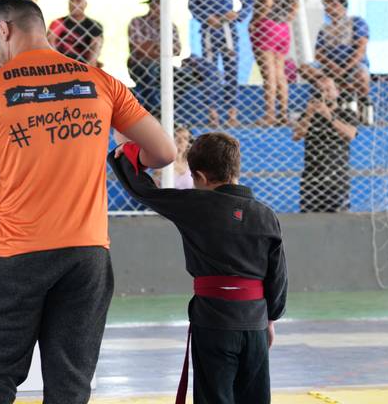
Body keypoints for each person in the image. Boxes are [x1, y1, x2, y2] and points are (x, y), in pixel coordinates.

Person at [0, 0, 177, 404]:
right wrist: (124, 154)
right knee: (70, 387)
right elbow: (164, 152)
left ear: (4, 30)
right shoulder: (101, 82)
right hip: (87, 255)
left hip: (18, 256)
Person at [108, 132, 287, 404]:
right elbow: (278, 275)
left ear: (200, 177)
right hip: (255, 323)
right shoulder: (266, 215)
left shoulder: (195, 205)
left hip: (214, 321)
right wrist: (270, 319)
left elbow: (144, 190)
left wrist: (126, 153)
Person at [188, 0, 253, 128]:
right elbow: (192, 4)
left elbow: (248, 1)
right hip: (209, 31)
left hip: (228, 31)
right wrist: (206, 17)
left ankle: (232, 114)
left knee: (231, 70)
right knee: (210, 71)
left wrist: (237, 14)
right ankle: (213, 114)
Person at [299, 0, 372, 124]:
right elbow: (319, 54)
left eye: (333, 4)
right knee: (305, 68)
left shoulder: (356, 22)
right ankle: (333, 88)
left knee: (362, 74)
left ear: (343, 7)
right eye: (327, 5)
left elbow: (361, 49)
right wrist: (333, 66)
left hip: (352, 65)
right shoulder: (324, 29)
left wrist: (345, 68)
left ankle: (362, 107)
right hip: (330, 67)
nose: (329, 8)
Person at [293, 76, 358, 213]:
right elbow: (297, 136)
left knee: (339, 219)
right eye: (321, 90)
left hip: (337, 180)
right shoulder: (308, 115)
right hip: (311, 180)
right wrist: (309, 113)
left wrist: (328, 115)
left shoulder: (346, 113)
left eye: (328, 89)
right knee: (308, 220)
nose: (325, 93)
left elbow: (350, 134)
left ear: (337, 91)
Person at [250, 0, 298, 126]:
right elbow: (295, 6)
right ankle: (283, 113)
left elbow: (267, 2)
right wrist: (285, 20)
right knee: (280, 73)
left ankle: (270, 114)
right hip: (283, 29)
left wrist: (255, 21)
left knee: (268, 74)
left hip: (266, 27)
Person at [127, 0, 181, 118]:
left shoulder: (170, 25)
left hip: (163, 64)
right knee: (152, 71)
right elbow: (141, 49)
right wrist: (164, 48)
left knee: (183, 76)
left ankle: (171, 112)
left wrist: (153, 46)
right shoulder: (137, 22)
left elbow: (177, 50)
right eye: (158, 4)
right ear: (151, 5)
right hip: (140, 64)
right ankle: (155, 113)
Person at [47, 0, 104, 66]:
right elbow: (50, 43)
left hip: (83, 65)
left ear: (85, 4)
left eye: (78, 1)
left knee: (97, 44)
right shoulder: (58, 23)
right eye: (71, 0)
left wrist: (88, 67)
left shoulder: (94, 26)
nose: (74, 4)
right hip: (60, 63)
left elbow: (95, 52)